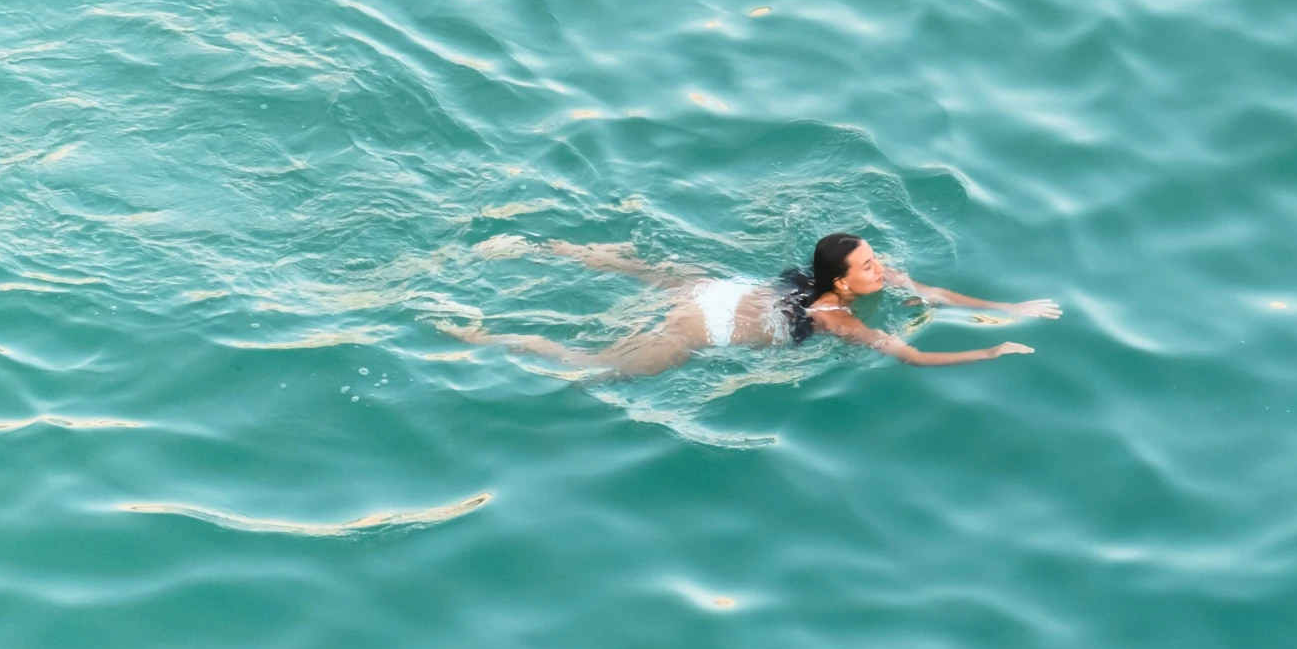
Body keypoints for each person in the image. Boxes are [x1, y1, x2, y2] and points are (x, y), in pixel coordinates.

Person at [442, 231, 1058, 378]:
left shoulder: (842, 282)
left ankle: (527, 248)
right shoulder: (834, 316)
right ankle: (483, 340)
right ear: (841, 283)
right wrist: (993, 348)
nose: (883, 268)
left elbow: (937, 295)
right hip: (698, 324)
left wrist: (1011, 306)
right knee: (594, 367)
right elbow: (911, 356)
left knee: (637, 266)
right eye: (869, 265)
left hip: (716, 288)